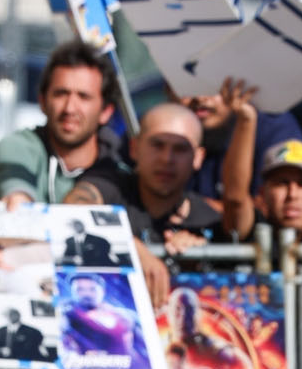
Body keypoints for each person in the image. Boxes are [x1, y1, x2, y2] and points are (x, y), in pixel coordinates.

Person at [64, 104, 227, 307]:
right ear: (134, 148)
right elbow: (70, 212)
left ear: (198, 157)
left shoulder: (210, 221)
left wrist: (194, 259)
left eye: (180, 149)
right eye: (157, 145)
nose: (167, 159)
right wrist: (134, 250)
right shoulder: (110, 187)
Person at [0, 41, 121, 208]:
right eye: (61, 94)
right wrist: (18, 197)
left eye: (83, 97)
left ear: (106, 111)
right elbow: (15, 190)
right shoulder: (19, 146)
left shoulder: (121, 171)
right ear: (42, 101)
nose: (70, 108)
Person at [176, 77, 302, 203]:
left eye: (212, 86)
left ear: (238, 86)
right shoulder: (170, 128)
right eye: (187, 86)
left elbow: (279, 207)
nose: (200, 98)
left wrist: (188, 206)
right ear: (169, 90)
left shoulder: (273, 127)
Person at [221, 130, 302, 245]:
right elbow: (235, 199)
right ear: (262, 193)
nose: (292, 194)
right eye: (281, 183)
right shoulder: (251, 230)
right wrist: (246, 120)